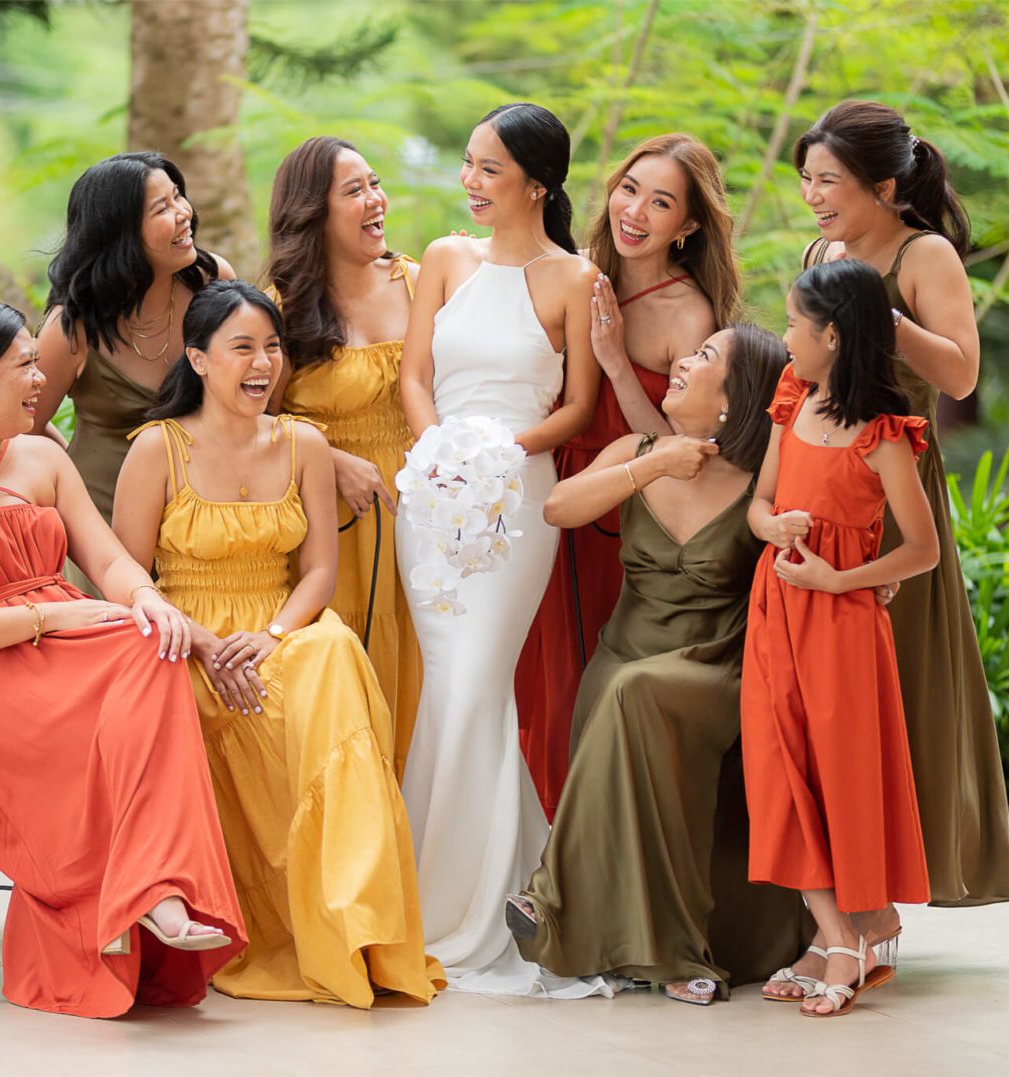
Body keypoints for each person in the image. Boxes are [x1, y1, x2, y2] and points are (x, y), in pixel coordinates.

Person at [0, 298, 244, 1018]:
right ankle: (146, 886)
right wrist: (51, 617)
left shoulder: (42, 454)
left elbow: (107, 558)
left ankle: (155, 886)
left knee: (154, 646)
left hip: (61, 647)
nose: (42, 379)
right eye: (25, 366)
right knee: (134, 669)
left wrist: (149, 601)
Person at [113, 280, 443, 1008]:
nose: (263, 363)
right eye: (242, 348)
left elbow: (319, 571)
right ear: (198, 359)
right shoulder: (157, 450)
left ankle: (356, 925)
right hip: (187, 642)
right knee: (192, 690)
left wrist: (271, 636)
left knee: (334, 654)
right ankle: (262, 925)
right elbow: (127, 577)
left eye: (272, 347)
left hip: (277, 629)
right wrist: (201, 643)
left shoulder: (304, 443)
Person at [506, 325, 809, 1006]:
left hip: (715, 666)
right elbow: (557, 507)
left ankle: (551, 901)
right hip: (625, 655)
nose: (682, 362)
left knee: (635, 692)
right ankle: (658, 950)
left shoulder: (762, 484)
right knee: (624, 687)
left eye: (705, 357)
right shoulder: (636, 451)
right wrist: (654, 465)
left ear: (734, 399)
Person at [793, 99, 1009, 951]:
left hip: (894, 493)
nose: (814, 197)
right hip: (821, 485)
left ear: (885, 187)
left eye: (829, 181)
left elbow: (961, 375)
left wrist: (879, 315)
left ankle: (883, 895)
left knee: (895, 686)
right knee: (820, 696)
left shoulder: (925, 255)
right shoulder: (820, 253)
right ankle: (832, 893)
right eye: (808, 180)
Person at [397, 103, 608, 996]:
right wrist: (440, 451)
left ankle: (466, 908)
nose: (470, 182)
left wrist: (497, 453)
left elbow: (578, 408)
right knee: (445, 689)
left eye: (489, 168)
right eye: (469, 163)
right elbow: (413, 374)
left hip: (518, 502)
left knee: (479, 684)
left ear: (537, 183)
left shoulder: (575, 277)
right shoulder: (446, 257)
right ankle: (429, 894)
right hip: (431, 498)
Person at [516, 133, 742, 819]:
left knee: (583, 671)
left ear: (689, 225)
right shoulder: (577, 272)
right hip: (544, 483)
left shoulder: (689, 313)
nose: (635, 212)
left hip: (622, 505)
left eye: (661, 202)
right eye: (629, 189)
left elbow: (679, 446)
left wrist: (615, 361)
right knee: (530, 671)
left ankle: (585, 834)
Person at [742, 260, 938, 1018]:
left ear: (832, 335)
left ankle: (843, 940)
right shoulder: (792, 396)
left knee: (838, 779)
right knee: (778, 772)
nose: (785, 334)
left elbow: (921, 549)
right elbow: (760, 502)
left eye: (795, 322)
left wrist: (839, 579)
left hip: (843, 626)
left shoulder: (884, 434)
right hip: (775, 611)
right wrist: (773, 526)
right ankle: (845, 936)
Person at [264, 135, 422, 776]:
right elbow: (252, 420)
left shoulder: (418, 282)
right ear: (314, 213)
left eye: (374, 183)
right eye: (354, 191)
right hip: (334, 524)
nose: (375, 199)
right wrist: (329, 459)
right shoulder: (282, 308)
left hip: (422, 513)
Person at [34, 152, 234, 524]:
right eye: (162, 208)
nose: (183, 212)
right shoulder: (73, 327)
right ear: (120, 232)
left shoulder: (211, 281)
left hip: (206, 520)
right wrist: (69, 473)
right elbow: (22, 429)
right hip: (104, 525)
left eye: (178, 196)